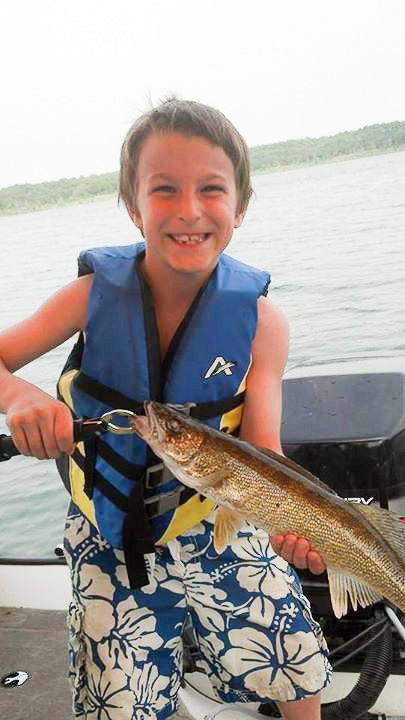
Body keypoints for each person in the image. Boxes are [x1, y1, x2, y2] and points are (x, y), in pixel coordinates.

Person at [0, 99, 331, 720]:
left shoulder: (262, 323)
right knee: (119, 703)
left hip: (220, 519)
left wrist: (299, 527)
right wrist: (20, 394)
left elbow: (264, 450)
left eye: (211, 189)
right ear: (133, 205)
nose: (188, 210)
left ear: (240, 205)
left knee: (290, 657)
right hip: (108, 531)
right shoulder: (91, 295)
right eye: (164, 190)